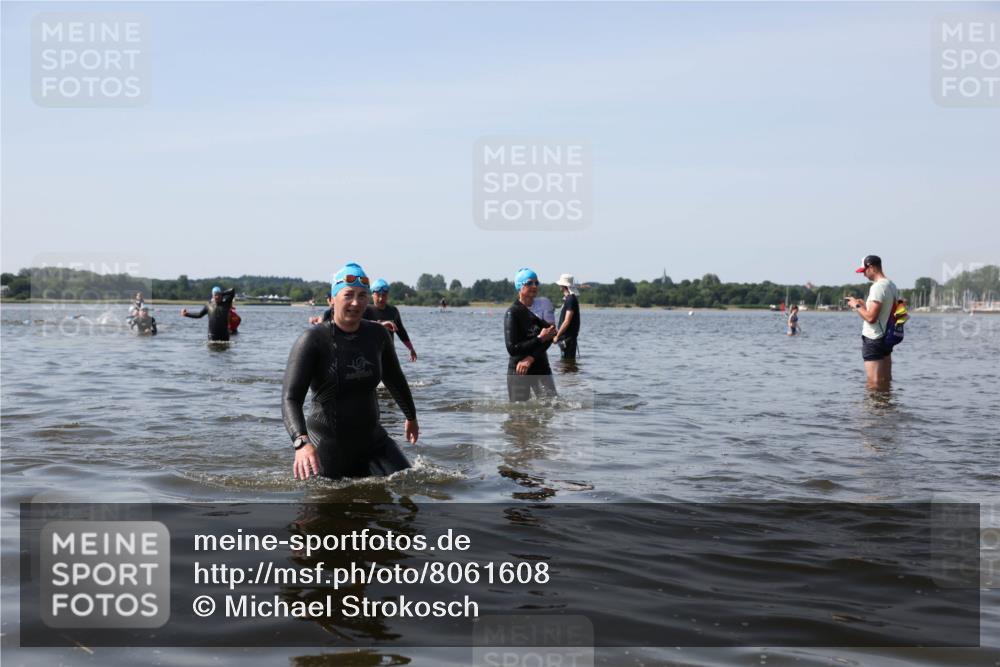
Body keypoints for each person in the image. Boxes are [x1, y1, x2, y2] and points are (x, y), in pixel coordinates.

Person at [282, 263, 418, 480]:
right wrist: (301, 442)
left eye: (362, 295)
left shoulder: (378, 335)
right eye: (349, 295)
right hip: (328, 443)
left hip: (374, 440)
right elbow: (291, 398)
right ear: (333, 299)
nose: (356, 302)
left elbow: (395, 379)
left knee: (411, 485)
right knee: (333, 507)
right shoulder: (312, 340)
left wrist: (411, 416)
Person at [846, 255, 899, 390]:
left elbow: (871, 318)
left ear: (871, 267)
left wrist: (855, 305)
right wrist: (863, 306)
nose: (863, 274)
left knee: (873, 382)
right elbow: (884, 312)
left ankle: (873, 410)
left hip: (874, 338)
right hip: (887, 337)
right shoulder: (891, 285)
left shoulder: (877, 287)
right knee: (886, 380)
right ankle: (886, 407)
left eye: (864, 270)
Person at [504, 268, 557, 402]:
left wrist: (531, 358)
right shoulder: (513, 313)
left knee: (551, 408)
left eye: (536, 283)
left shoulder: (544, 305)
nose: (534, 286)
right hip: (519, 370)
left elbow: (551, 335)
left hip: (540, 366)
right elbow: (512, 348)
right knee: (519, 416)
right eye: (529, 283)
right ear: (519, 286)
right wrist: (539, 338)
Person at [365, 279, 417, 362]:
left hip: (389, 353)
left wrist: (411, 349)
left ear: (388, 295)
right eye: (378, 295)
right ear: (372, 295)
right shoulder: (367, 310)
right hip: (371, 354)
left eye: (384, 295)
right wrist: (381, 324)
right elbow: (360, 325)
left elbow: (401, 332)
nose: (381, 298)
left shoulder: (393, 311)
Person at [553, 273, 581, 359]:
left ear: (563, 285)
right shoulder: (569, 299)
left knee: (567, 366)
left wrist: (557, 336)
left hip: (568, 339)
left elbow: (567, 321)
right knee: (567, 365)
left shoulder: (570, 299)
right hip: (567, 339)